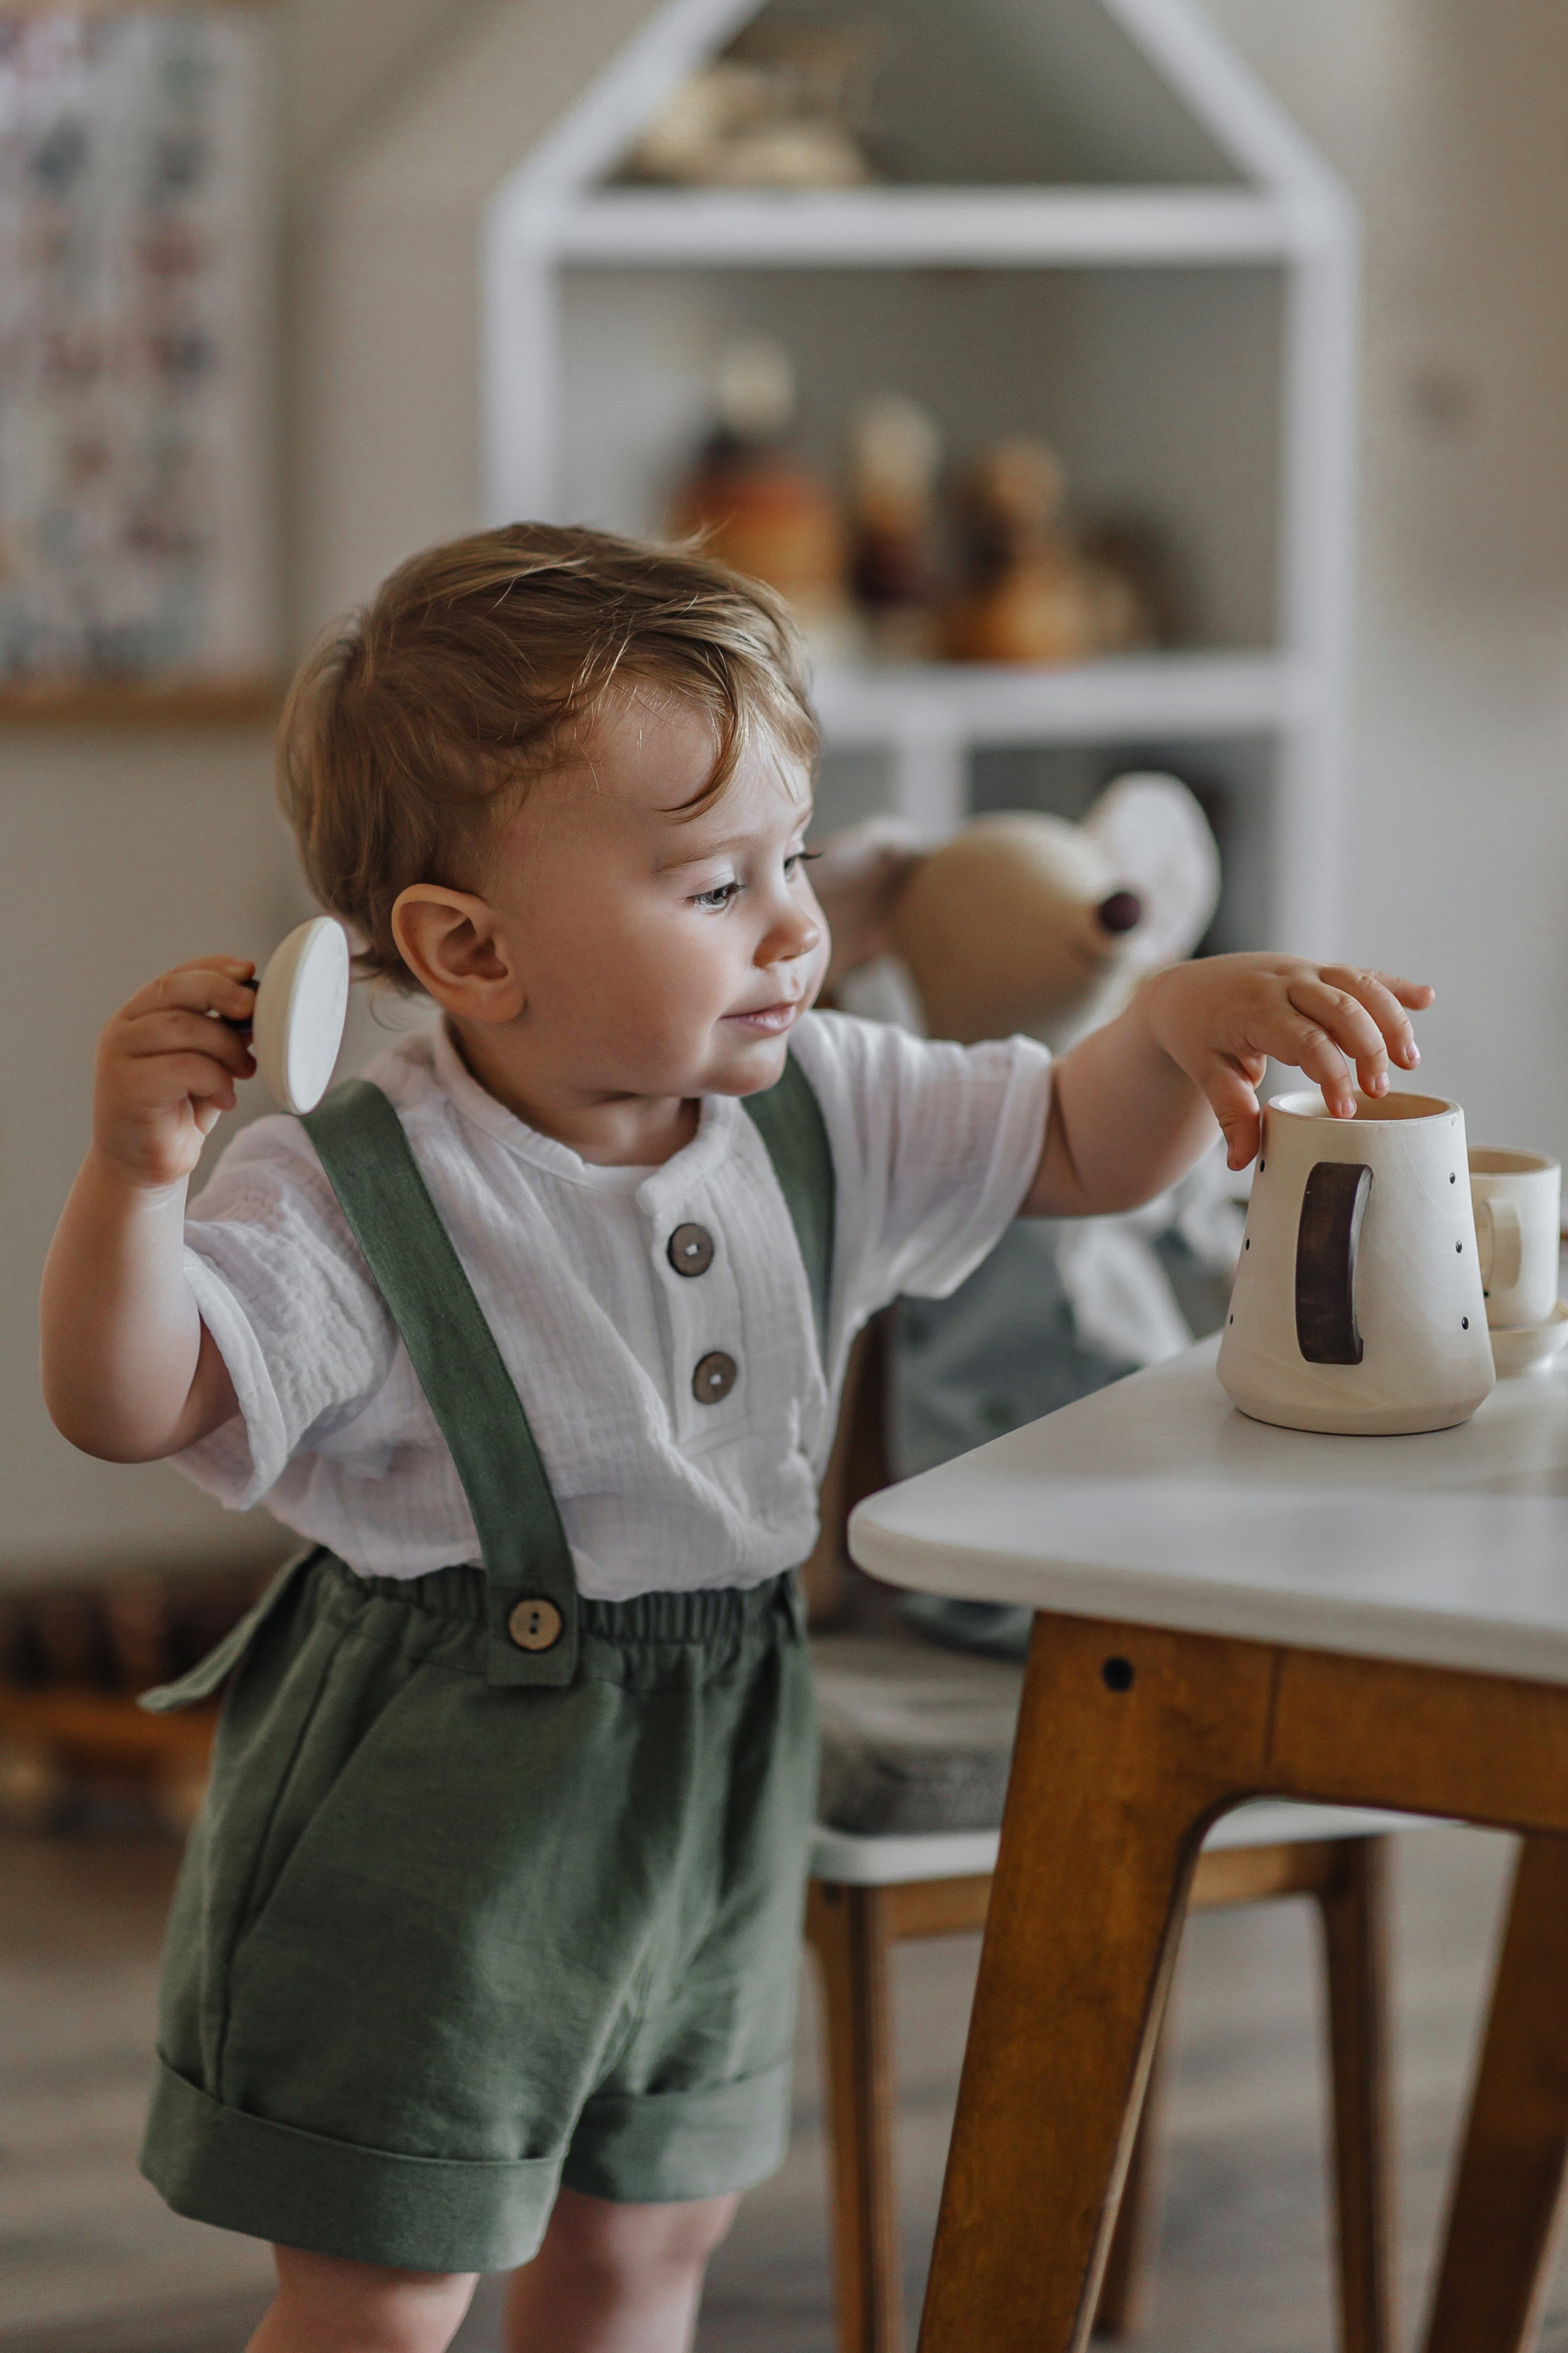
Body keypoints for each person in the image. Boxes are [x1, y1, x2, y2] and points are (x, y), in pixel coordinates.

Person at [39, 523, 1430, 2353]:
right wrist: (140, 1183)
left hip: (717, 1754)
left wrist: (1169, 1025)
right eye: (713, 887)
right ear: (470, 949)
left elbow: (1077, 1148)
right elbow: (134, 1401)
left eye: (795, 854)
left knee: (645, 2250)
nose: (796, 920)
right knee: (386, 2287)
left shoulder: (825, 1100)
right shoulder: (359, 1184)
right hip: (433, 1786)